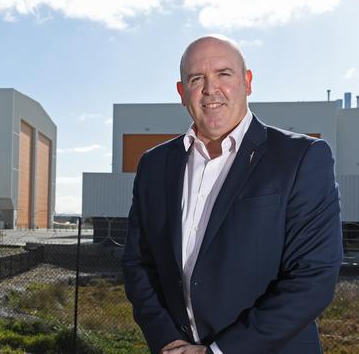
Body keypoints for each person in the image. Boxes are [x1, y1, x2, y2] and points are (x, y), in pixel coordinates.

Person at [121, 35, 342, 354]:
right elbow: (137, 262)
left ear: (247, 82)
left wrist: (218, 352)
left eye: (224, 74)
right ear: (182, 92)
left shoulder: (301, 157)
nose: (211, 89)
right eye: (197, 79)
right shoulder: (155, 165)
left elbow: (314, 277)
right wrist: (167, 340)